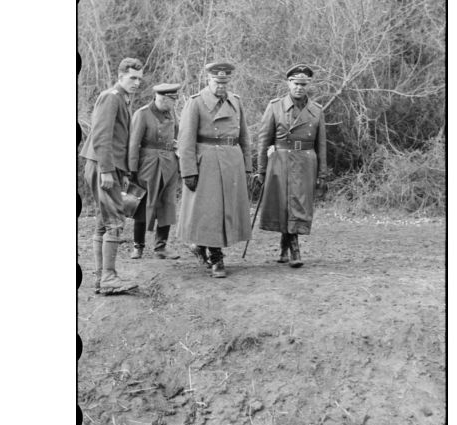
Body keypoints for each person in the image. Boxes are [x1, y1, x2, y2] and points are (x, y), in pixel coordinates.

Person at [177, 62, 252, 278]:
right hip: (206, 163)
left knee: (225, 210)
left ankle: (201, 246)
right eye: (217, 81)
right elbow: (185, 140)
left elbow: (244, 136)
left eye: (224, 82)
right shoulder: (196, 102)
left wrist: (247, 166)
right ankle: (216, 256)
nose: (221, 85)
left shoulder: (236, 102)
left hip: (232, 161)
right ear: (208, 80)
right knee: (210, 211)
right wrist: (188, 170)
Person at [80, 57, 144, 294]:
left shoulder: (123, 99)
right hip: (101, 165)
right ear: (120, 77)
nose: (136, 83)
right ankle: (108, 278)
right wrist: (107, 170)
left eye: (139, 79)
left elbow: (120, 140)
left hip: (110, 166)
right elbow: (101, 135)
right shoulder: (111, 97)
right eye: (132, 78)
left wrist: (123, 172)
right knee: (115, 221)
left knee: (102, 223)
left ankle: (101, 278)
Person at [256, 64, 327, 267]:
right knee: (283, 204)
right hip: (281, 161)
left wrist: (323, 174)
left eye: (303, 84)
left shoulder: (316, 111)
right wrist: (261, 169)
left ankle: (290, 246)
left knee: (299, 203)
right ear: (288, 83)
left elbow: (321, 144)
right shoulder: (275, 106)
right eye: (296, 83)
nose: (299, 88)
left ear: (308, 85)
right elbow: (263, 140)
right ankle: (291, 246)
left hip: (306, 161)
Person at [128, 83, 182, 260]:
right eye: (172, 100)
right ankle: (138, 246)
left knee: (167, 204)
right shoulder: (142, 114)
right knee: (143, 204)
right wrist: (132, 169)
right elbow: (134, 144)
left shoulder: (171, 113)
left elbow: (177, 134)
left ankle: (161, 247)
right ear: (163, 98)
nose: (174, 104)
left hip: (169, 163)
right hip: (148, 164)